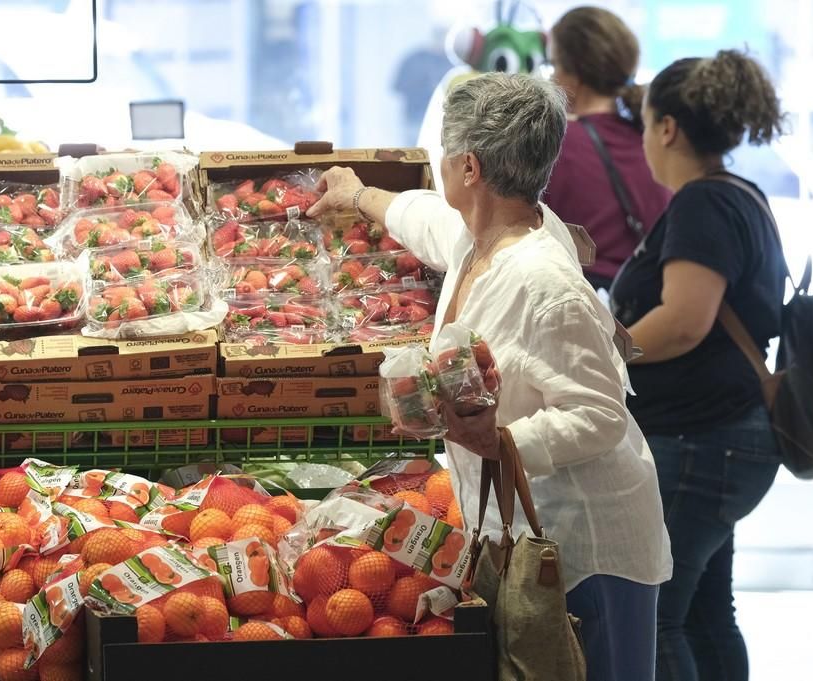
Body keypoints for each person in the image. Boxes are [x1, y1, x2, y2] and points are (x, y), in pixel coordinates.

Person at [309, 72, 671, 681]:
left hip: (581, 548)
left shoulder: (545, 282)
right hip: (517, 531)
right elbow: (421, 216)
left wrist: (498, 441)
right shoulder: (479, 235)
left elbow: (599, 415)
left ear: (469, 168)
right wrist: (359, 193)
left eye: (445, 156)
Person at [608, 50, 788, 681]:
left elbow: (685, 319)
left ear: (668, 129)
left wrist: (607, 352)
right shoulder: (742, 196)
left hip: (698, 441)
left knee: (658, 618)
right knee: (709, 614)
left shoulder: (702, 207)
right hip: (726, 438)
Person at [543, 6, 671, 291]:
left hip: (578, 302)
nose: (551, 78)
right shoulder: (654, 141)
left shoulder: (555, 142)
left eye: (554, 66)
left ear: (573, 74)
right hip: (644, 307)